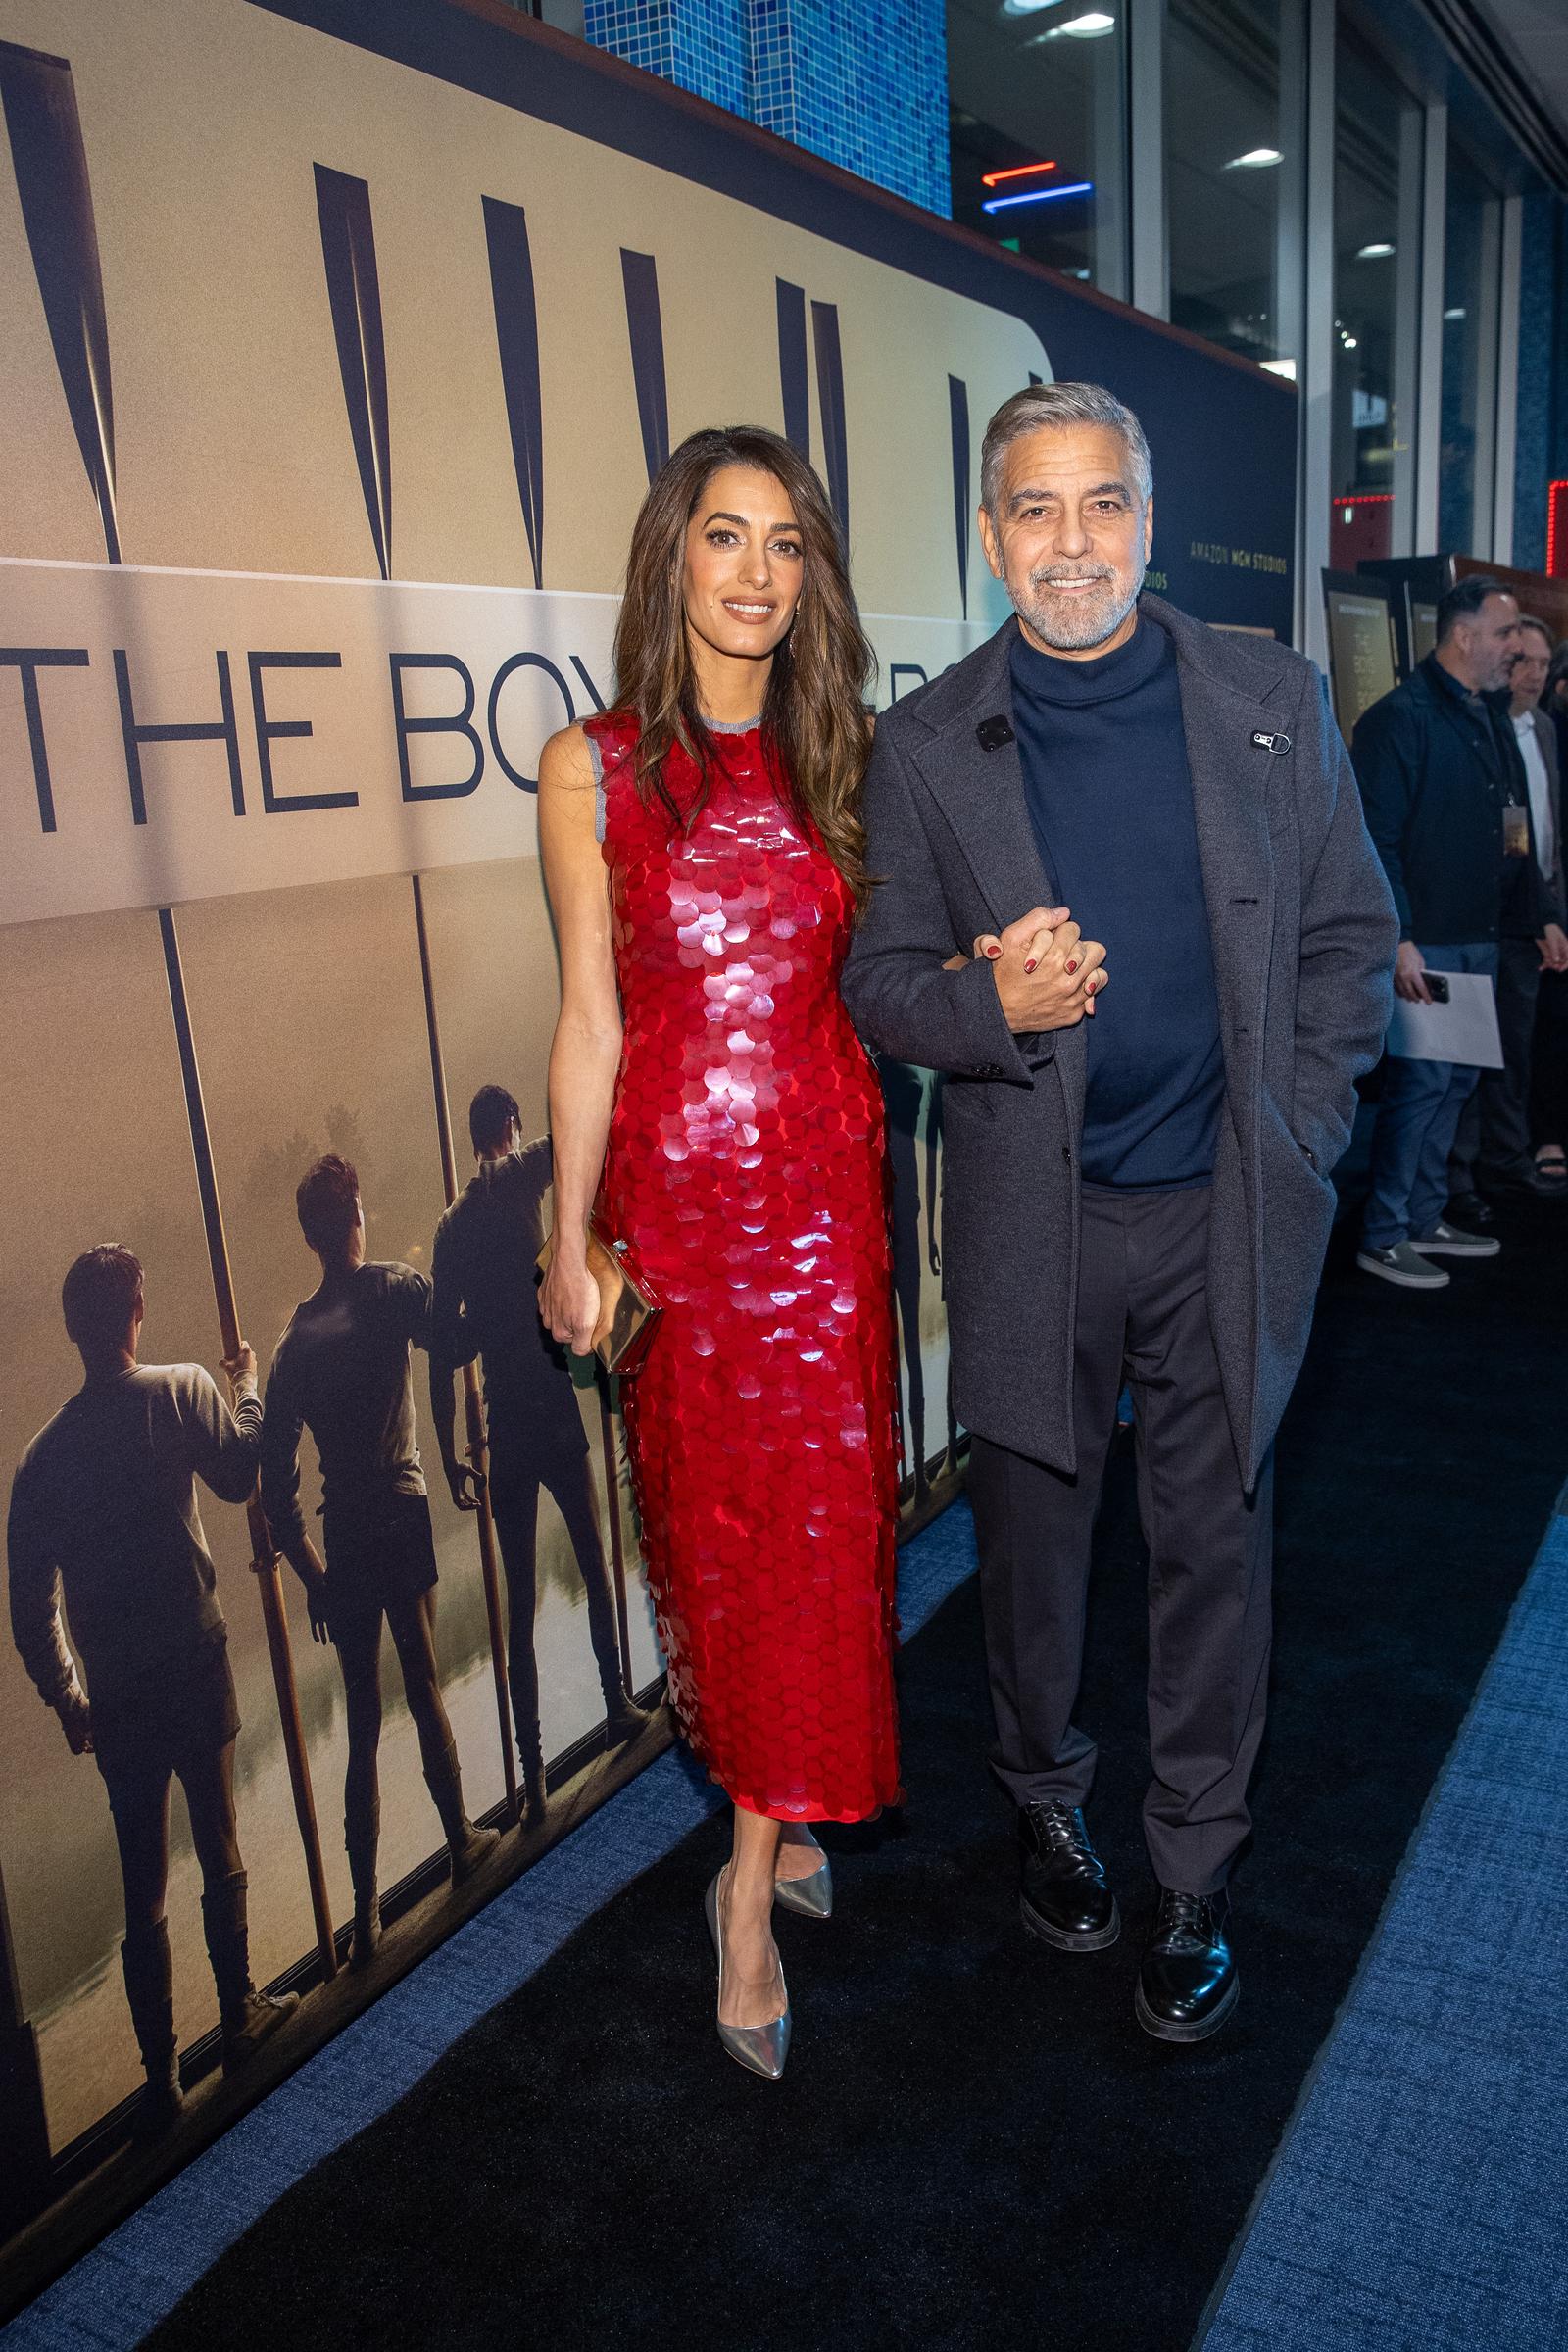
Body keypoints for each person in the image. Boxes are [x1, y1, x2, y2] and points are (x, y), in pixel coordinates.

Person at [842, 380, 1396, 2044]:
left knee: (1214, 1556)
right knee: (1030, 1563)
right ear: (991, 531)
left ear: (1147, 522)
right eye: (1033, 508)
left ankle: (1194, 1871)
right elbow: (876, 984)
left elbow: (1350, 946)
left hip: (1225, 1205)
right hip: (1039, 1222)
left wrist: (1298, 1129)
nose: (1069, 544)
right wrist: (987, 1008)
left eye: (1101, 506)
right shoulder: (928, 741)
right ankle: (1045, 1797)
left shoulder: (1270, 701)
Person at [537, 425, 901, 2080]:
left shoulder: (846, 760)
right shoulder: (591, 767)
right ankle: (771, 1821)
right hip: (682, 1231)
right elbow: (589, 1024)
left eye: (787, 544)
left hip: (826, 1216)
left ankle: (750, 1878)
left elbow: (873, 986)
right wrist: (568, 1235)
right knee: (726, 1547)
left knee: (822, 1546)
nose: (757, 573)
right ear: (670, 558)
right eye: (724, 537)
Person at [8, 1247, 296, 2134]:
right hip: (192, 1652)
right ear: (136, 1308)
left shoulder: (42, 1462)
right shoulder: (179, 1390)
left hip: (121, 1684)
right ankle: (241, 2013)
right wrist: (247, 1383)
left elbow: (30, 1604)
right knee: (218, 1837)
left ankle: (162, 2078)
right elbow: (242, 1473)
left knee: (143, 1885)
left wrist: (67, 1696)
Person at [261, 1156, 498, 1970]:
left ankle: (363, 1917)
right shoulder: (393, 1290)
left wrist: (310, 1567)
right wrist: (475, 1279)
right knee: (425, 1679)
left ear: (308, 1235)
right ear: (354, 1214)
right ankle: (462, 1839)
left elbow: (274, 1473)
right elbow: (454, 1340)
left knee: (361, 1723)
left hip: (348, 1532)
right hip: (401, 1507)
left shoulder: (295, 1342)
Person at [429, 1085, 650, 1823]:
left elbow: (438, 1348)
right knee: (591, 1557)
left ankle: (532, 1779)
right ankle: (617, 1701)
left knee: (519, 1599)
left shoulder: (452, 1227)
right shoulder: (522, 1172)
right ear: (511, 1127)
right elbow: (574, 1139)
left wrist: (446, 1449)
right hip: (550, 1401)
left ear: (471, 1134)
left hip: (503, 1422)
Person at [1354, 578, 1563, 1290]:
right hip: (1429, 941)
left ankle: (1422, 1216)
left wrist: (1534, 917)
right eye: (1506, 635)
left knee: (1456, 1086)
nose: (1516, 649)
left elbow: (1513, 832)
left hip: (1483, 936)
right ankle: (1382, 1236)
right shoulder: (1400, 719)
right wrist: (1401, 936)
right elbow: (1373, 839)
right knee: (1420, 1087)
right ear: (1465, 637)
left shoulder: (1487, 716)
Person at [1446, 618, 1568, 1200]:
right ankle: (1472, 1171)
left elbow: (1533, 826)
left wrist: (1546, 907)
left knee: (1522, 1043)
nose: (1536, 673)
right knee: (1476, 1054)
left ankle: (1504, 1153)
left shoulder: (1542, 729)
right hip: (1486, 912)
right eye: (1525, 660)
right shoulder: (1487, 727)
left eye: (1545, 664)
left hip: (1533, 904)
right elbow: (1510, 830)